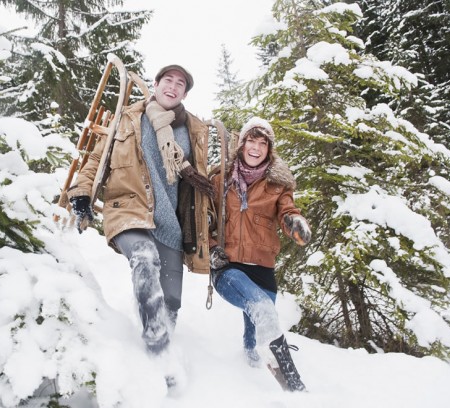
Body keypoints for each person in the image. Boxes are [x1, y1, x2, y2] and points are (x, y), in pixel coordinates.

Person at [67, 64, 213, 355]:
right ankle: (155, 341)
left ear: (185, 93)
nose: (173, 86)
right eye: (168, 80)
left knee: (171, 301)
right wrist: (82, 193)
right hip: (128, 209)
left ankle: (160, 357)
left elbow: (204, 181)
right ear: (156, 84)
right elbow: (96, 160)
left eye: (180, 84)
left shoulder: (193, 130)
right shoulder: (128, 118)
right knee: (144, 258)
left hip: (170, 223)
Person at [208, 117, 311, 392]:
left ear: (269, 149)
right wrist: (210, 247)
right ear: (242, 144)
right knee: (263, 312)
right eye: (251, 141)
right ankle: (294, 388)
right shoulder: (221, 178)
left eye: (262, 143)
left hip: (263, 269)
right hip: (228, 267)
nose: (255, 148)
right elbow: (202, 216)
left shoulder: (278, 185)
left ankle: (249, 381)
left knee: (254, 342)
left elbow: (288, 211)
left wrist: (294, 223)